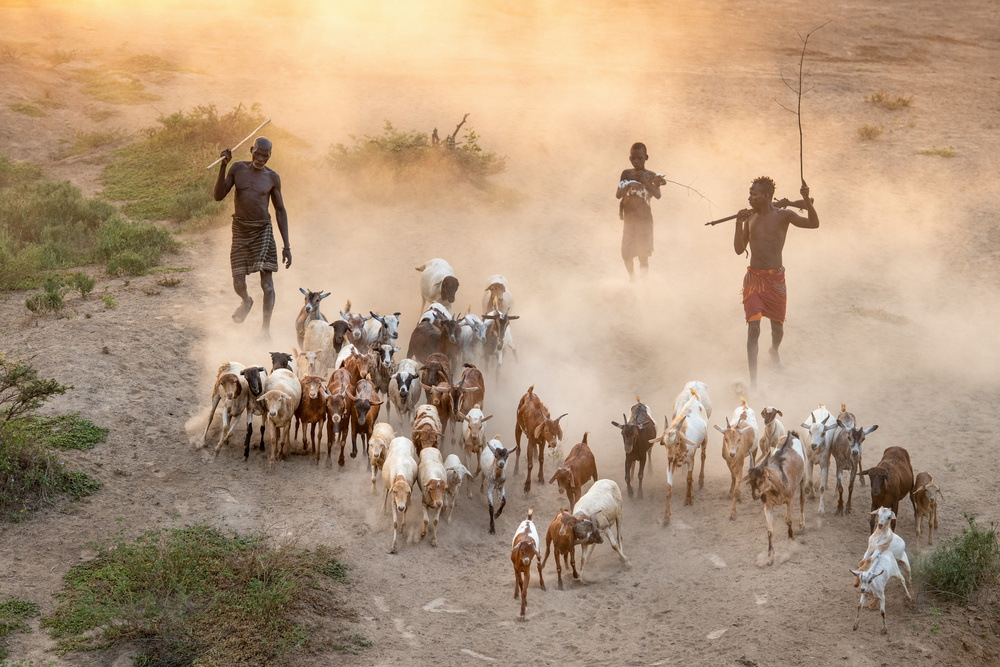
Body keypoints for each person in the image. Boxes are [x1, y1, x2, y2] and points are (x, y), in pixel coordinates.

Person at [734, 176, 819, 387]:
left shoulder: (784, 215)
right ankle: (753, 382)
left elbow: (813, 223)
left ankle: (774, 350)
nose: (749, 197)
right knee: (753, 330)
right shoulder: (750, 218)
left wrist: (806, 200)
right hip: (753, 280)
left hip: (775, 279)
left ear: (765, 196)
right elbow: (738, 249)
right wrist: (738, 223)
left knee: (777, 328)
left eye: (754, 194)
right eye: (750, 193)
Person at [213, 137, 291, 338]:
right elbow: (218, 196)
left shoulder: (272, 178)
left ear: (269, 156)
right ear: (251, 150)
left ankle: (265, 329)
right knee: (238, 281)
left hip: (263, 231)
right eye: (258, 154)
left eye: (265, 156)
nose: (261, 159)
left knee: (267, 285)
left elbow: (280, 210)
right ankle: (246, 301)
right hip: (240, 230)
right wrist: (223, 166)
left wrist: (287, 245)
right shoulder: (237, 169)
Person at [615, 142, 666, 281]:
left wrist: (645, 180)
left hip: (645, 220)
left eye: (640, 158)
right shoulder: (626, 174)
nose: (637, 161)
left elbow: (658, 195)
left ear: (646, 158)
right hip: (629, 219)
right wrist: (630, 184)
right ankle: (632, 277)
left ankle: (644, 282)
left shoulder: (651, 175)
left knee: (643, 255)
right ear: (630, 158)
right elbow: (618, 195)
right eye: (634, 158)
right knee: (626, 254)